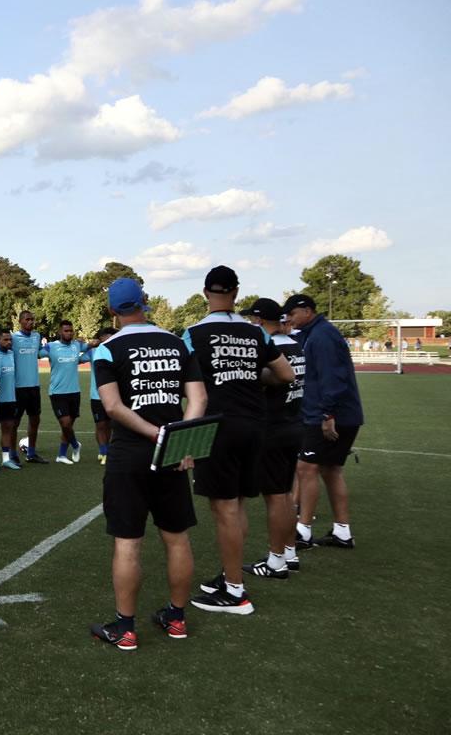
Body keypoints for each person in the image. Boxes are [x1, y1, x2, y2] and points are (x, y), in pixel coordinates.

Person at [89, 278, 207, 650]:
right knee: (176, 538)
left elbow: (112, 408)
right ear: (145, 303)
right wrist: (178, 438)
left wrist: (154, 434)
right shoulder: (177, 342)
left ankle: (125, 628)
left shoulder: (107, 349)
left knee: (128, 543)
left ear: (112, 311)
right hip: (172, 451)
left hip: (130, 455)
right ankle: (176, 618)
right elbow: (199, 398)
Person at [184, 266, 294, 615]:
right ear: (236, 292)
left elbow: (181, 379)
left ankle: (234, 592)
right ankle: (231, 574)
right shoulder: (256, 333)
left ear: (205, 293)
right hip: (255, 425)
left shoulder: (192, 334)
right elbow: (286, 373)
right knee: (238, 505)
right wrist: (250, 377)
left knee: (224, 508)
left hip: (217, 427)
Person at [283, 294, 364, 549]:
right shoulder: (314, 333)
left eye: (293, 314)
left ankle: (303, 531)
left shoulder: (322, 336)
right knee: (330, 470)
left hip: (327, 416)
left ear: (306, 311)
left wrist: (328, 415)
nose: (290, 319)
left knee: (306, 469)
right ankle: (342, 532)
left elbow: (332, 378)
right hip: (338, 414)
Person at [240, 298, 306, 577]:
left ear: (259, 320)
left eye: (251, 320)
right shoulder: (295, 344)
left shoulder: (271, 348)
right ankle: (289, 552)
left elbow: (265, 380)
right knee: (286, 493)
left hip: (274, 427)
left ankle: (276, 560)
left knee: (276, 497)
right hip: (293, 422)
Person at [46, 320, 98, 465]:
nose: (69, 333)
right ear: (59, 332)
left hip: (74, 392)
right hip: (57, 392)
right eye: (66, 331)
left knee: (67, 426)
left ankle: (61, 455)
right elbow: (35, 354)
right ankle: (75, 445)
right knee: (66, 423)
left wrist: (95, 341)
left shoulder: (77, 345)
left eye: (71, 331)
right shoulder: (51, 347)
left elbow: (92, 345)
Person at [12, 310, 50, 463]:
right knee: (14, 422)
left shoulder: (36, 336)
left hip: (34, 386)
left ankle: (31, 453)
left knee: (35, 420)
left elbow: (39, 353)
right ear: (20, 321)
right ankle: (12, 455)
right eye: (27, 319)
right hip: (18, 387)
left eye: (32, 320)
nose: (30, 322)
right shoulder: (13, 338)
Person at [89, 327, 119, 465]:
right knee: (101, 425)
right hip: (96, 396)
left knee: (112, 426)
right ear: (101, 338)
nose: (111, 338)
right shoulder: (93, 352)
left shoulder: (118, 351)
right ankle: (103, 451)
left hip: (115, 395)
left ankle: (108, 450)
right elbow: (76, 358)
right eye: (108, 336)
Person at [0, 329, 21, 470]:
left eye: (10, 340)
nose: (9, 342)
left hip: (10, 398)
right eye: (5, 339)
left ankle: (6, 459)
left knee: (7, 428)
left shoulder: (11, 354)